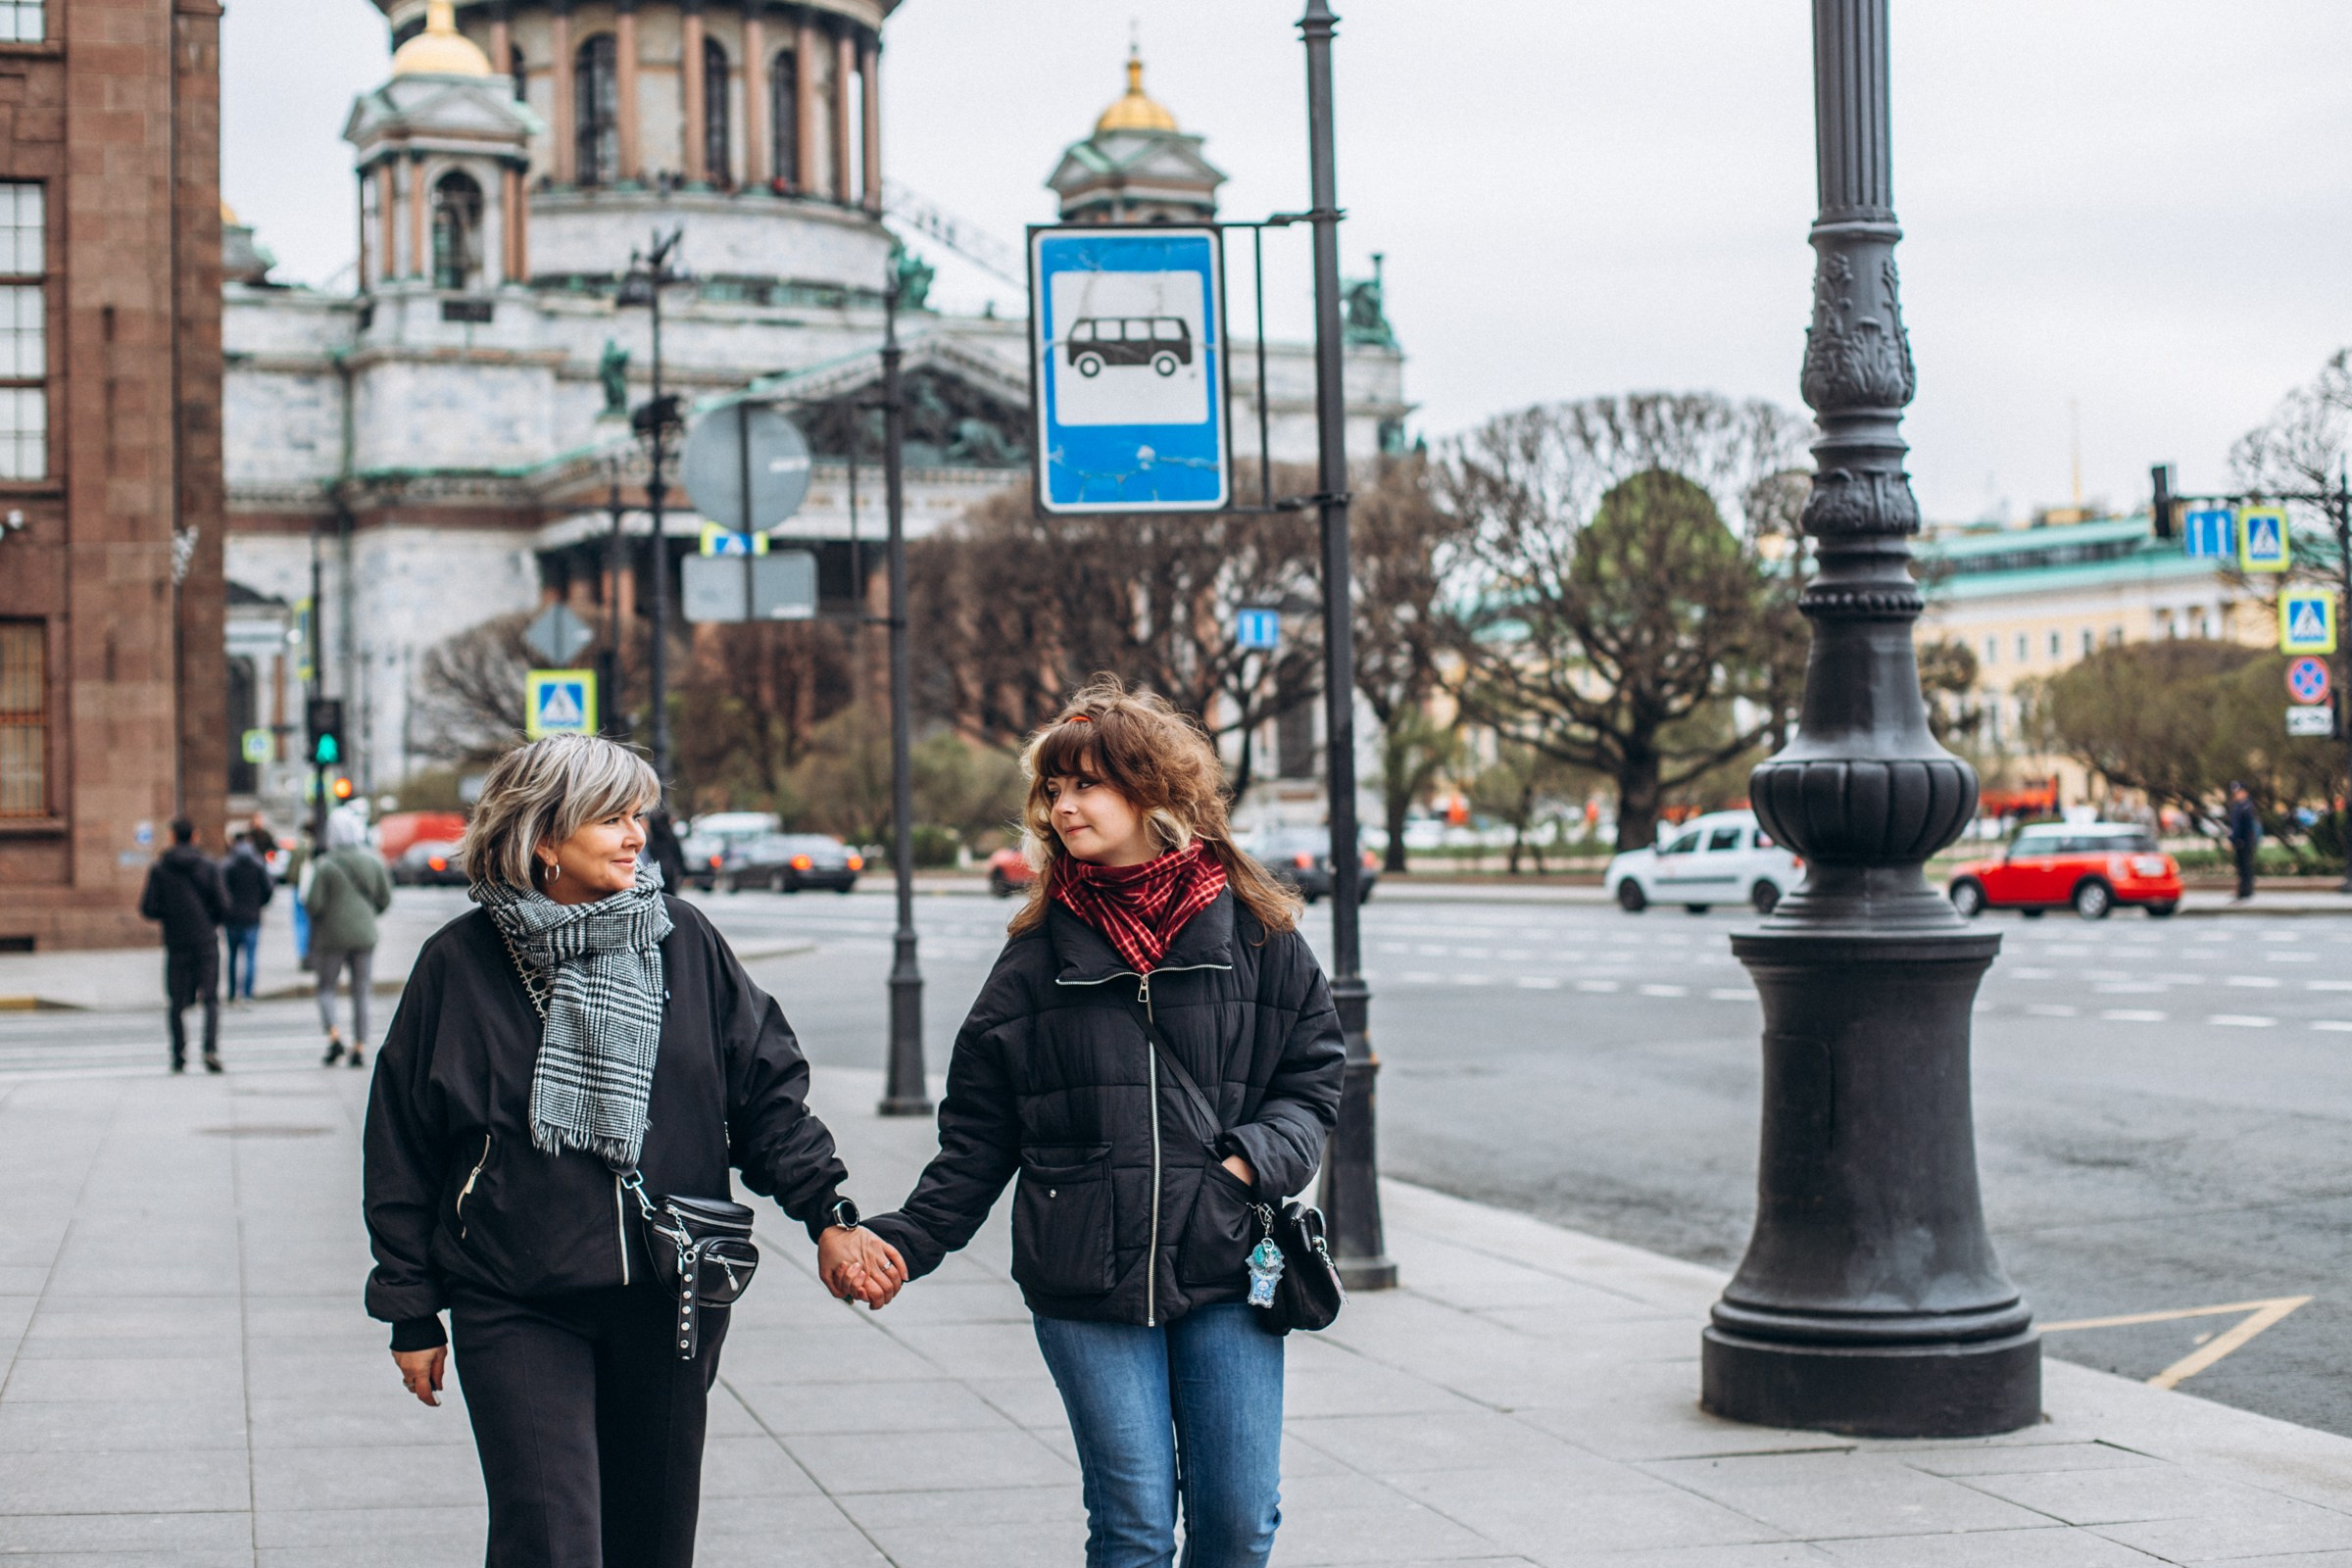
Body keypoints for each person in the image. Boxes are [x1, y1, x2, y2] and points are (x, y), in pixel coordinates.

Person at [362, 734, 902, 1568]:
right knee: (550, 1541)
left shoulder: (683, 938)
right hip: (515, 1296)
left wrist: (828, 1214)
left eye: (637, 814)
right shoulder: (458, 966)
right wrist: (408, 1306)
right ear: (543, 837)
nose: (635, 834)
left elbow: (766, 1096)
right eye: (609, 817)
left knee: (652, 1540)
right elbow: (403, 1145)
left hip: (669, 1292)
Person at [862, 679, 1346, 1568]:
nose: (1063, 805)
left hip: (1227, 1262)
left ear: (1153, 792)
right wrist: (903, 1241)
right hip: (1084, 1273)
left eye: (1086, 784)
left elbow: (1312, 1077)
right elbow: (980, 1133)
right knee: (1130, 1529)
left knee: (1240, 1524)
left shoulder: (1257, 932)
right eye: (1053, 789)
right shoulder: (1037, 954)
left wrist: (1242, 1167)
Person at [138, 817, 228, 1074]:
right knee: (210, 998)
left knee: (176, 1002)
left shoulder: (160, 868)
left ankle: (178, 1054)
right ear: (195, 836)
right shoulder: (209, 866)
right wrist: (209, 921)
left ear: (172, 837)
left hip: (176, 941)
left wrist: (170, 915)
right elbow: (223, 904)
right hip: (205, 940)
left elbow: (148, 907)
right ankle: (210, 1050)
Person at [310, 811, 393, 1067]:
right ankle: (359, 1046)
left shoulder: (325, 865)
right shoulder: (374, 861)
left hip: (331, 938)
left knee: (326, 988)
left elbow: (314, 904)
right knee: (361, 992)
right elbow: (385, 898)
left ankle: (334, 1035)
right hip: (365, 936)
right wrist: (368, 915)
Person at [219, 827, 275, 1004]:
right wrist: (259, 904)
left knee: (233, 956)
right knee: (250, 956)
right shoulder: (257, 863)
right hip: (252, 915)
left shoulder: (227, 864)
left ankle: (232, 992)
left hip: (232, 917)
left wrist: (225, 909)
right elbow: (268, 888)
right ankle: (248, 993)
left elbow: (220, 890)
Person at [2228, 782, 2262, 902]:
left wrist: (2241, 839)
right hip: (2239, 841)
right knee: (2241, 866)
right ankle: (2242, 890)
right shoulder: (2238, 806)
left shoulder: (2246, 806)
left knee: (2246, 866)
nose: (2237, 795)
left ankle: (2247, 890)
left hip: (2245, 841)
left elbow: (2246, 827)